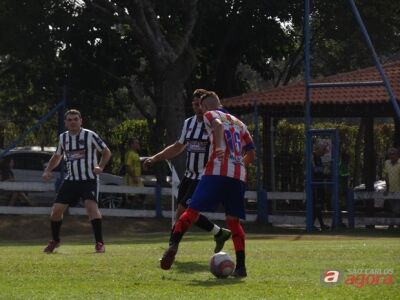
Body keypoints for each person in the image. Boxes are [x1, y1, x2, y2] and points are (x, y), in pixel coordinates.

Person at [159, 91, 256, 278]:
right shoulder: (240, 123)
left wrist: (219, 148)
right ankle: (241, 267)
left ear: (205, 107)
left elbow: (218, 126)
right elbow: (251, 154)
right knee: (233, 221)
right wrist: (237, 165)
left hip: (216, 171)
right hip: (238, 175)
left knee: (190, 211)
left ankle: (172, 247)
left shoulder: (211, 115)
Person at [144, 89, 231, 253]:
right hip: (188, 176)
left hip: (204, 177)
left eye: (201, 104)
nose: (198, 107)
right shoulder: (189, 123)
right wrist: (155, 158)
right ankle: (219, 233)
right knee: (184, 215)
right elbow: (178, 146)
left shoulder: (215, 124)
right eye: (195, 104)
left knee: (183, 212)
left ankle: (172, 247)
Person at [42, 109, 111, 253]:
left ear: (81, 121)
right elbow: (57, 156)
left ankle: (99, 243)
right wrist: (48, 170)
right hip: (71, 180)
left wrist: (100, 166)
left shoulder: (90, 135)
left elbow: (106, 152)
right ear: (65, 123)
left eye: (75, 119)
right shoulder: (63, 138)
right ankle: (55, 240)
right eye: (70, 120)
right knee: (56, 211)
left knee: (90, 207)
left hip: (89, 179)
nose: (73, 122)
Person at [312, 140, 330, 231]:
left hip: (319, 184)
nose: (324, 151)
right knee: (317, 205)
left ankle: (319, 224)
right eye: (323, 149)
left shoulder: (318, 158)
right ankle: (317, 224)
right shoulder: (314, 158)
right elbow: (316, 171)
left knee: (318, 205)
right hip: (315, 185)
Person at [124, 137, 144, 208]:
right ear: (132, 145)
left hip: (137, 177)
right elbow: (128, 167)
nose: (138, 144)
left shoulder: (136, 154)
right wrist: (133, 177)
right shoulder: (130, 154)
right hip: (131, 178)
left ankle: (137, 210)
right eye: (136, 143)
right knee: (131, 196)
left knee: (142, 194)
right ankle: (130, 213)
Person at [383, 147, 400, 228]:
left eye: (393, 154)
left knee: (397, 209)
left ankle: (392, 225)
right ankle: (393, 225)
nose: (391, 156)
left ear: (397, 155)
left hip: (399, 190)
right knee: (393, 209)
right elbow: (386, 176)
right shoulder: (387, 163)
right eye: (390, 154)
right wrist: (387, 188)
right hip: (390, 190)